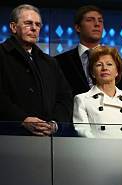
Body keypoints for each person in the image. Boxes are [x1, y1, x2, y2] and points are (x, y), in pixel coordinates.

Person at [0, 4, 72, 136]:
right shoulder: (2, 54)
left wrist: (55, 123)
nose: (34, 28)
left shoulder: (50, 62)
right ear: (13, 27)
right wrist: (22, 119)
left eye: (38, 25)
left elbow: (65, 98)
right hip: (9, 135)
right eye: (28, 23)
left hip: (47, 138)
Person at [55, 5, 122, 97]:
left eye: (100, 21)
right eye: (90, 20)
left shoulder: (121, 65)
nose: (97, 24)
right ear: (78, 27)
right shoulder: (59, 62)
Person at [73, 46, 122, 139]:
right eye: (99, 65)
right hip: (97, 151)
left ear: (117, 71)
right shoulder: (82, 100)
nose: (104, 68)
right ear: (92, 73)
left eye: (109, 64)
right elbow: (83, 133)